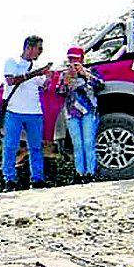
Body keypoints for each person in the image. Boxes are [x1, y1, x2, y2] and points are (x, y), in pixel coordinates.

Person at [0, 35, 52, 191]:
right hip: (13, 112)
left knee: (36, 147)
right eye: (39, 48)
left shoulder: (38, 67)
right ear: (29, 47)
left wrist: (48, 78)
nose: (41, 52)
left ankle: (37, 179)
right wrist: (35, 73)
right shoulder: (12, 62)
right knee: (10, 146)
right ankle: (10, 180)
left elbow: (44, 86)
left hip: (34, 112)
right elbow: (11, 81)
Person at [56, 45, 105, 183]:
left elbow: (101, 85)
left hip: (89, 111)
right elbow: (59, 93)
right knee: (77, 144)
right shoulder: (64, 75)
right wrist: (65, 83)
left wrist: (85, 74)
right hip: (71, 113)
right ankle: (79, 173)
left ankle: (91, 173)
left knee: (89, 142)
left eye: (76, 59)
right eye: (70, 59)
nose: (73, 62)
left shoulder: (92, 71)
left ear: (82, 59)